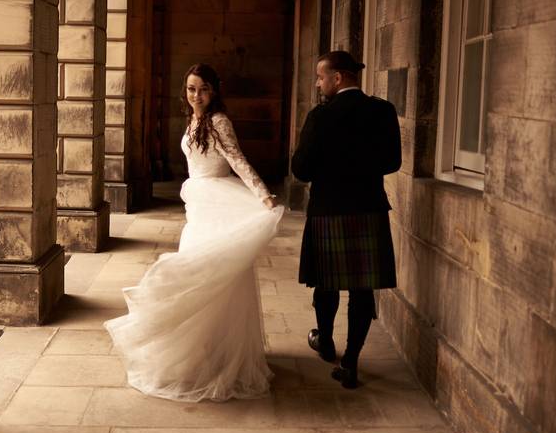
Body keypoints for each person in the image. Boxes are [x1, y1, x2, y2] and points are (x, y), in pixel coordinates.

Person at [105, 63, 284, 402]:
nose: (196, 96)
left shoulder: (218, 121)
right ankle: (201, 351)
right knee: (198, 270)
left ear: (214, 90)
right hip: (199, 203)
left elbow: (237, 159)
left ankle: (217, 354)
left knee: (209, 272)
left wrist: (262, 193)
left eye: (202, 89)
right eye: (190, 89)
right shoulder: (194, 120)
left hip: (218, 200)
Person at [291, 50, 401, 389]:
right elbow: (392, 162)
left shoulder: (321, 116)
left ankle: (325, 341)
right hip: (368, 208)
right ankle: (351, 360)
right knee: (362, 288)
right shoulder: (383, 111)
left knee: (326, 282)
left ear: (338, 78)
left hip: (329, 209)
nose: (318, 83)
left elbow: (301, 169)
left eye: (321, 77)